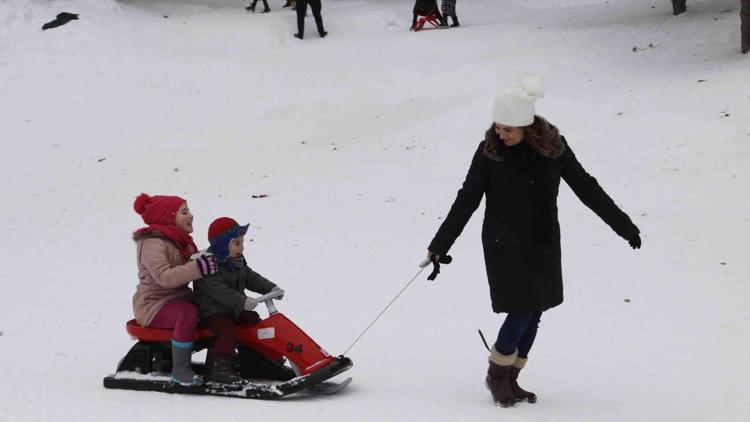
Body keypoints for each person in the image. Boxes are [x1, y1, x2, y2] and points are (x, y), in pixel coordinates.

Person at [426, 76, 641, 407]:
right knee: (521, 309)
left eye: (508, 129)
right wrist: (441, 244)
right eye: (498, 127)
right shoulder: (489, 153)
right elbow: (467, 198)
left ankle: (512, 378)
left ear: (526, 126)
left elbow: (586, 187)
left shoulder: (554, 149)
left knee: (536, 310)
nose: (501, 134)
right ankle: (497, 375)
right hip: (503, 243)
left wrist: (623, 226)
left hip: (542, 242)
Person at [131, 193, 218, 386]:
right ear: (168, 217)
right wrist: (198, 268)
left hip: (179, 298)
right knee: (187, 313)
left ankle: (224, 359)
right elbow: (164, 277)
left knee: (216, 305)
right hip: (154, 304)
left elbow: (192, 265)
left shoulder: (182, 242)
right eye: (184, 212)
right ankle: (180, 370)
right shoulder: (152, 243)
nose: (191, 216)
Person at [193, 217, 285, 384]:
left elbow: (251, 277)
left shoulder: (236, 261)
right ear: (222, 245)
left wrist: (271, 288)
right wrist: (242, 301)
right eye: (237, 243)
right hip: (212, 312)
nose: (241, 247)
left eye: (242, 242)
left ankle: (258, 361)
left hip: (233, 309)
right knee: (227, 332)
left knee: (255, 323)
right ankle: (221, 369)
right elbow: (221, 292)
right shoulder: (208, 266)